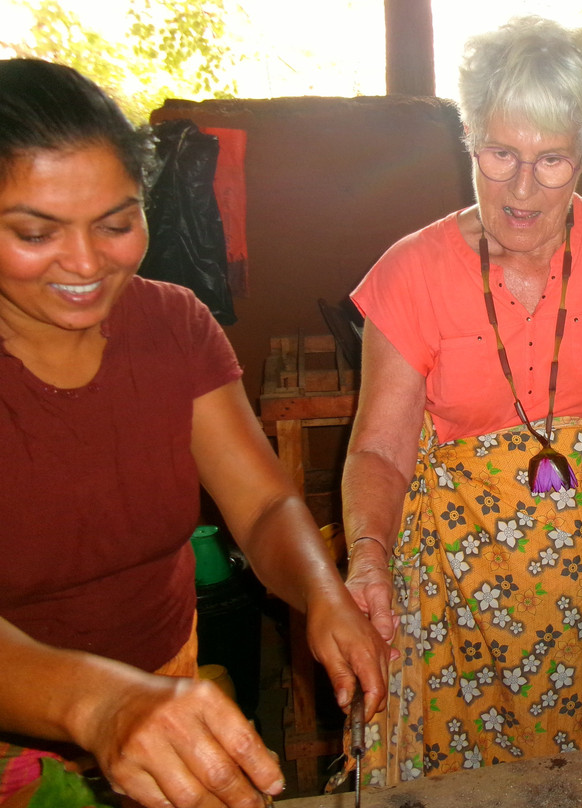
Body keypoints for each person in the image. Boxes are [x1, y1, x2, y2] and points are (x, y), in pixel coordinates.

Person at [0, 59, 388, 808]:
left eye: (116, 223)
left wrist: (322, 591)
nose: (85, 262)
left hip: (169, 695)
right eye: (35, 232)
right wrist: (101, 702)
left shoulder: (174, 325)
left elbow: (265, 507)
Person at [341, 15, 582, 785]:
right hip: (458, 599)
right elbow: (377, 449)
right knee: (465, 778)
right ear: (467, 136)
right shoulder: (411, 274)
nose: (523, 189)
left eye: (552, 160)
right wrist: (368, 558)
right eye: (500, 154)